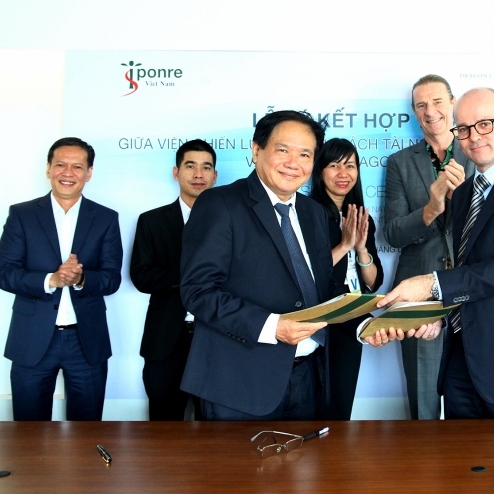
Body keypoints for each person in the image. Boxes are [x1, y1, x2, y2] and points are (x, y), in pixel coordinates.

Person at [375, 88, 494, 419]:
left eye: (484, 124)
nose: (473, 136)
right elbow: (468, 270)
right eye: (463, 128)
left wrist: (431, 284)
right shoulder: (464, 193)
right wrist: (437, 316)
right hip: (461, 363)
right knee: (458, 453)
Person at [179, 110, 344, 421]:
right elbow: (198, 292)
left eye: (305, 154)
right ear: (256, 150)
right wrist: (272, 327)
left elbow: (323, 287)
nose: (293, 163)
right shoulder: (219, 204)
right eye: (283, 150)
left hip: (308, 378)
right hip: (238, 383)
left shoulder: (314, 213)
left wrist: (366, 322)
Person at [0, 137, 123, 420]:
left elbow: (111, 278)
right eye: (60, 165)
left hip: (86, 340)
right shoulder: (22, 215)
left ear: (89, 173)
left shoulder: (105, 218)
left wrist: (81, 278)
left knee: (86, 430)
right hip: (31, 339)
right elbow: (5, 273)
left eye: (77, 167)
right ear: (48, 168)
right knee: (29, 432)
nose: (68, 173)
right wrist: (51, 280)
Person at [383, 74, 473, 420]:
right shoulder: (400, 162)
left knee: (478, 394)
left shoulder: (477, 152)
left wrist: (462, 200)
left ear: (452, 102)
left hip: (473, 288)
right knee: (423, 404)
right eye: (421, 105)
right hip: (418, 296)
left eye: (437, 101)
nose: (430, 111)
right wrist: (430, 210)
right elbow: (392, 233)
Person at [130, 139, 218, 420]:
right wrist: (192, 273)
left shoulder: (231, 221)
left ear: (215, 176)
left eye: (206, 167)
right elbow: (142, 276)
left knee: (214, 427)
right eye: (190, 166)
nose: (198, 174)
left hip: (216, 339)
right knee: (163, 426)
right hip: (165, 341)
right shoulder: (152, 221)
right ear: (176, 172)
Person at [309, 138, 384, 420]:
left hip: (354, 315)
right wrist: (344, 244)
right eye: (334, 165)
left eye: (350, 166)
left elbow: (373, 282)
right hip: (322, 318)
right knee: (318, 402)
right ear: (320, 171)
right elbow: (308, 273)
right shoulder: (308, 213)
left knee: (341, 404)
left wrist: (361, 248)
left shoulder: (362, 216)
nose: (343, 173)